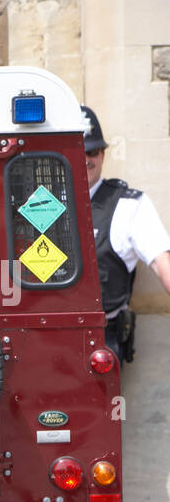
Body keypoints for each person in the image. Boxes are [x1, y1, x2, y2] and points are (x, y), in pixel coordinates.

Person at [82, 105, 170, 363]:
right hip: (48, 335)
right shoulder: (41, 203)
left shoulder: (130, 204)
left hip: (104, 338)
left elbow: (161, 261)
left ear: (103, 155)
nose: (86, 158)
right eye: (78, 150)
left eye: (93, 151)